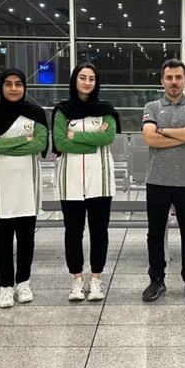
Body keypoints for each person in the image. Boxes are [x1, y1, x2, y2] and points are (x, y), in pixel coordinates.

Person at [0, 69, 49, 309]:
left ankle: (23, 283)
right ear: (1, 87)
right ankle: (5, 287)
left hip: (27, 185)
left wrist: (3, 143)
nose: (13, 88)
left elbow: (40, 144)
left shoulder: (36, 113)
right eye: (8, 84)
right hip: (0, 186)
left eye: (18, 84)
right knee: (3, 240)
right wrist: (23, 140)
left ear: (24, 87)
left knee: (26, 239)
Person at [52, 63, 120, 302]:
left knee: (99, 231)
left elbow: (108, 137)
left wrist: (75, 136)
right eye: (83, 77)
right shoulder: (62, 110)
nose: (87, 82)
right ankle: (77, 280)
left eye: (92, 78)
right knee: (73, 232)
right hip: (70, 179)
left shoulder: (106, 110)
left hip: (100, 179)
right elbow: (60, 142)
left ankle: (96, 280)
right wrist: (93, 141)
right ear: (74, 80)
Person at [140, 58, 185, 302]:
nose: (174, 82)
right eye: (169, 77)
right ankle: (156, 280)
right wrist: (183, 134)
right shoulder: (152, 106)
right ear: (162, 81)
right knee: (155, 234)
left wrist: (163, 130)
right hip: (157, 180)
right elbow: (149, 138)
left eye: (178, 77)